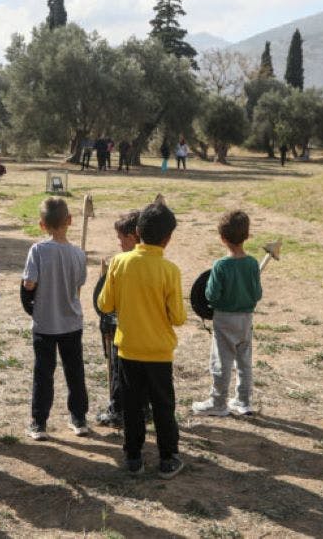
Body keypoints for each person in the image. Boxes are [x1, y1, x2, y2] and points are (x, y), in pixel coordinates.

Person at [97, 201, 186, 478]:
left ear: (136, 231)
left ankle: (133, 457)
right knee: (163, 407)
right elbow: (179, 318)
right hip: (159, 353)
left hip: (128, 350)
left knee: (132, 407)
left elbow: (104, 304)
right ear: (168, 238)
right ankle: (168, 458)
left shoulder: (118, 263)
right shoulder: (170, 271)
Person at [21, 197, 89, 439]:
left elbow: (29, 283)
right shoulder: (79, 254)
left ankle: (39, 422)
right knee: (75, 372)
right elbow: (78, 286)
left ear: (41, 224)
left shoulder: (37, 250)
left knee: (43, 373)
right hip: (71, 322)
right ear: (69, 221)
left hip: (45, 323)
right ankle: (79, 418)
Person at [191, 210, 263, 419]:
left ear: (222, 238)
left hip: (224, 320)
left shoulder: (220, 265)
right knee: (244, 361)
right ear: (247, 236)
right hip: (245, 320)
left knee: (221, 362)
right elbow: (257, 293)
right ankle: (244, 401)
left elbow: (211, 295)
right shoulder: (252, 264)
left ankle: (218, 402)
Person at [95, 210, 142, 428]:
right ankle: (142, 408)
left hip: (122, 331)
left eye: (121, 238)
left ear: (132, 238)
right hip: (146, 333)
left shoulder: (120, 263)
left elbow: (105, 303)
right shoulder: (155, 263)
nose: (118, 242)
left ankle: (118, 409)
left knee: (118, 370)